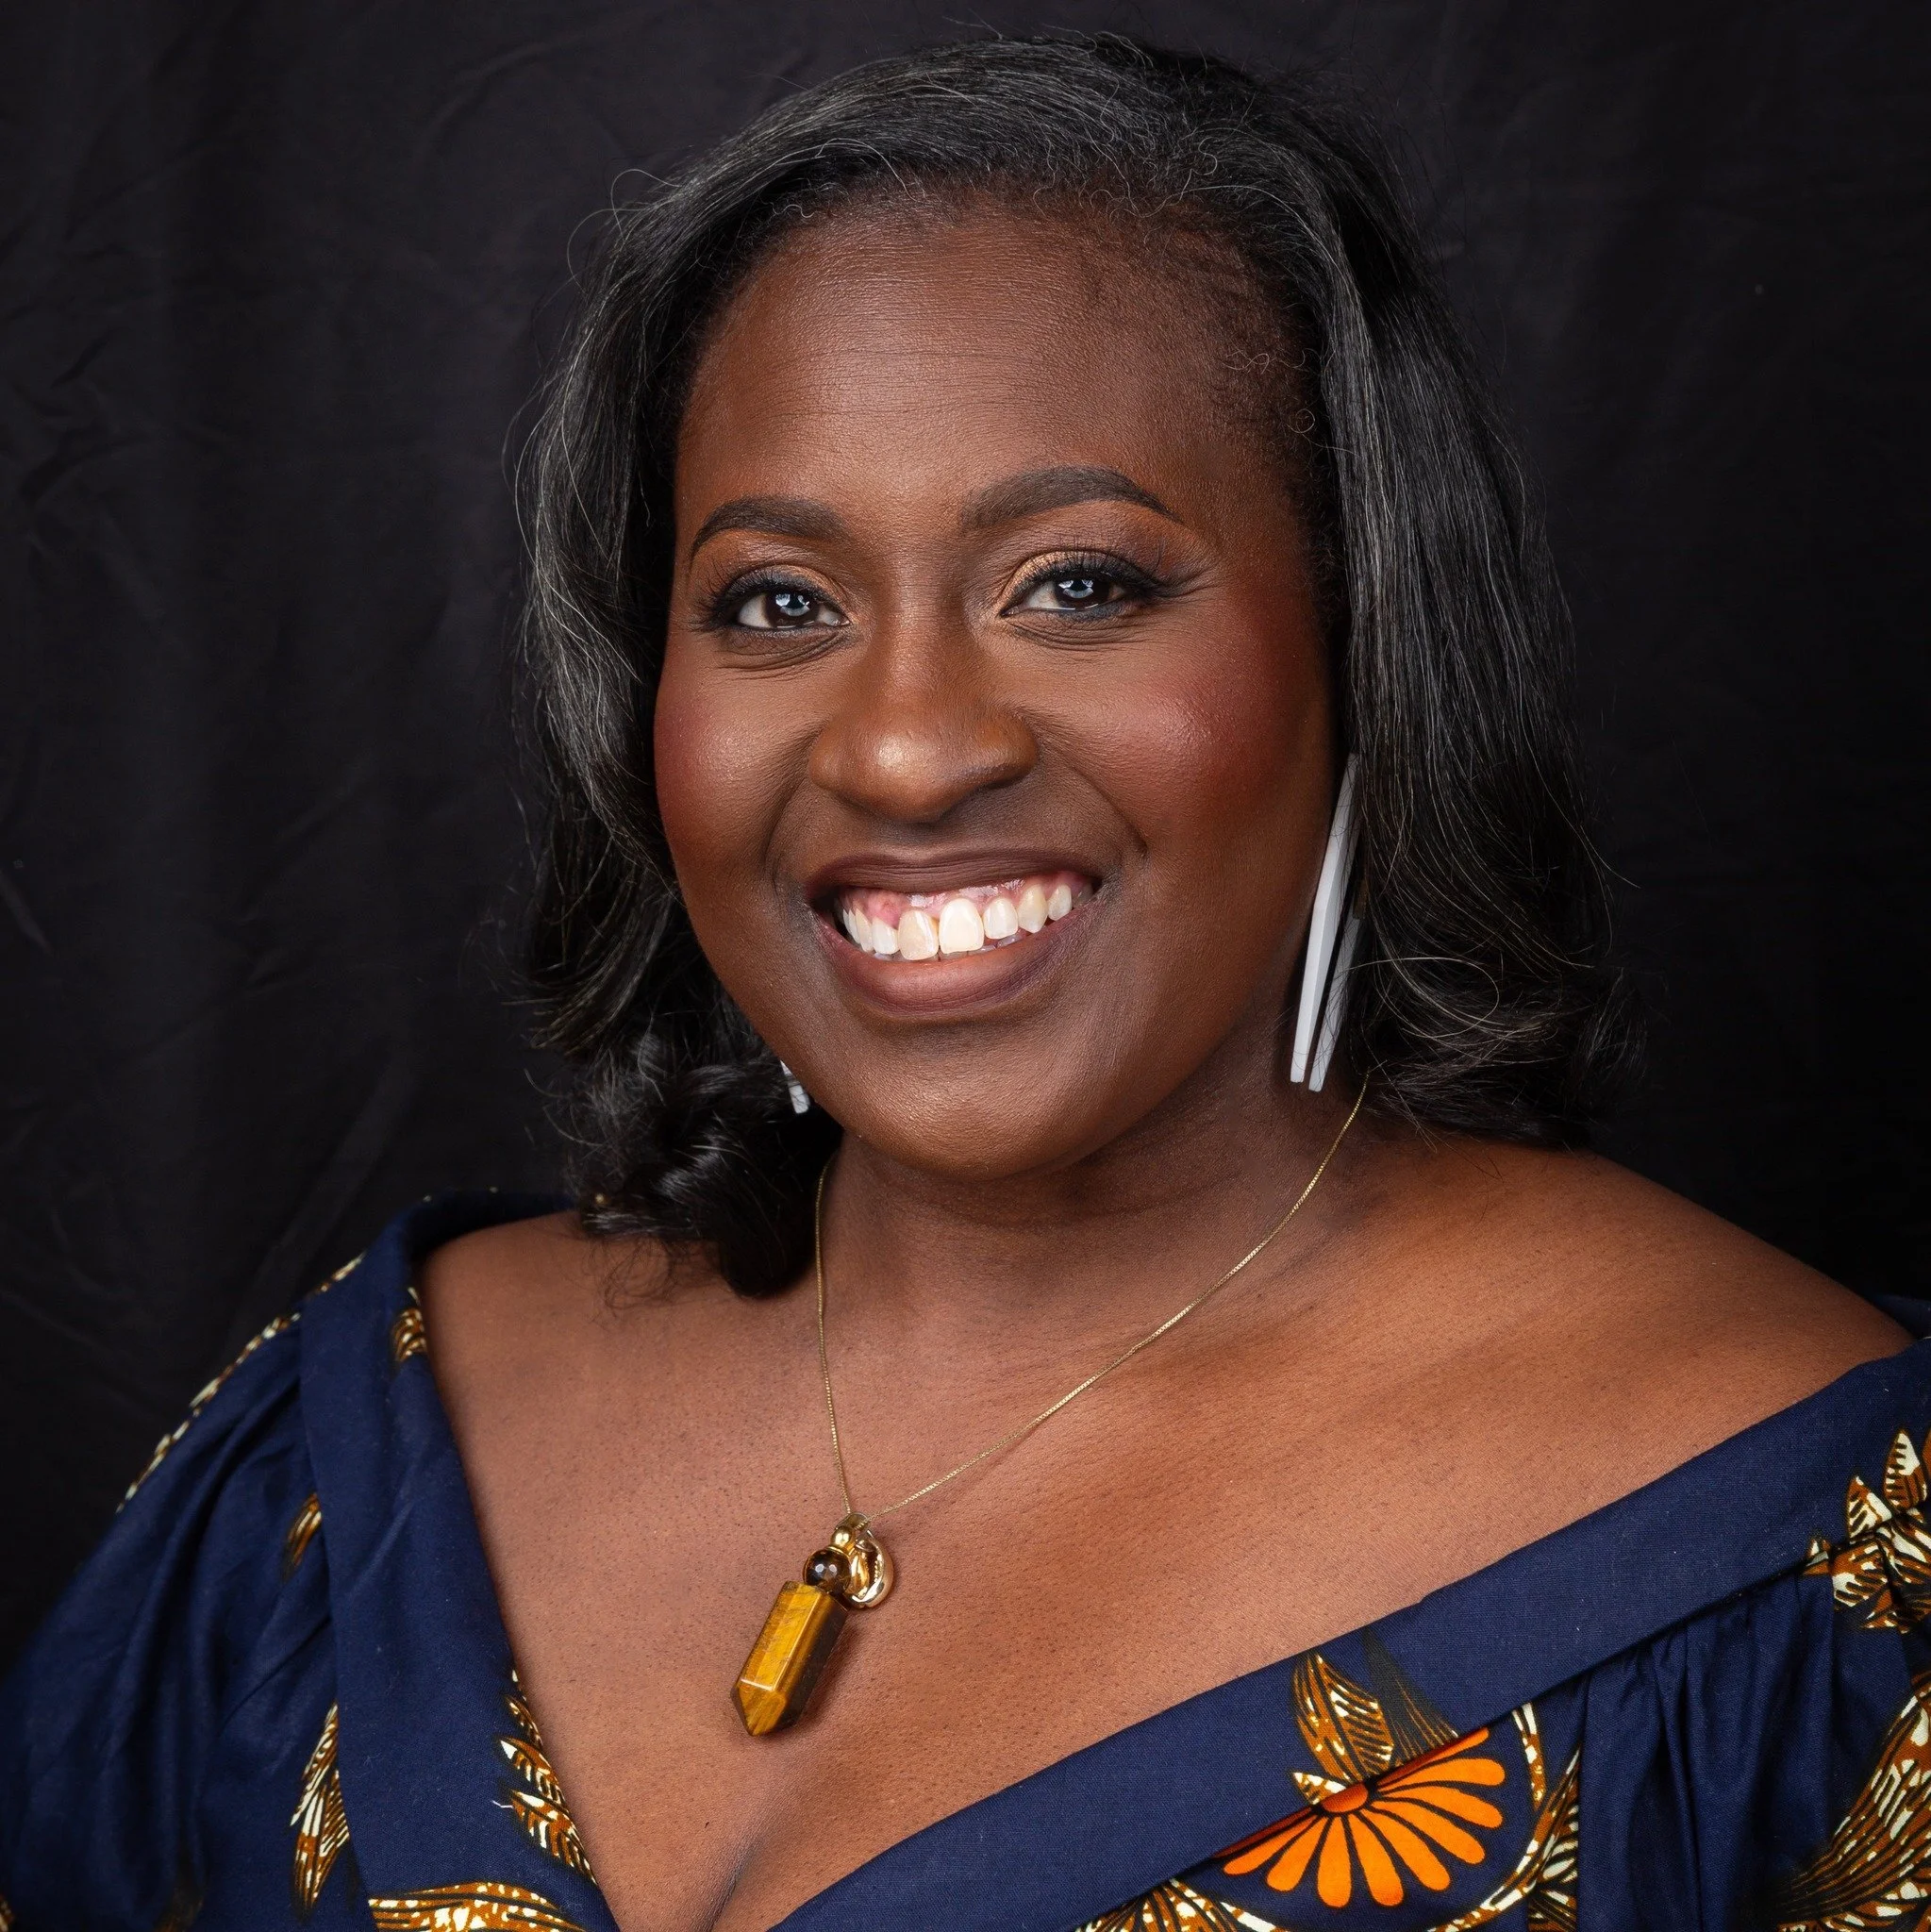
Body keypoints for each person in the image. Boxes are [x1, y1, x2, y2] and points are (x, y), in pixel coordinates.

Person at [1, 33, 1923, 1932]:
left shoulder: (1803, 1546)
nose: (907, 751)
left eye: (1077, 584)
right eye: (779, 603)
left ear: (1363, 637)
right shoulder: (353, 1449)